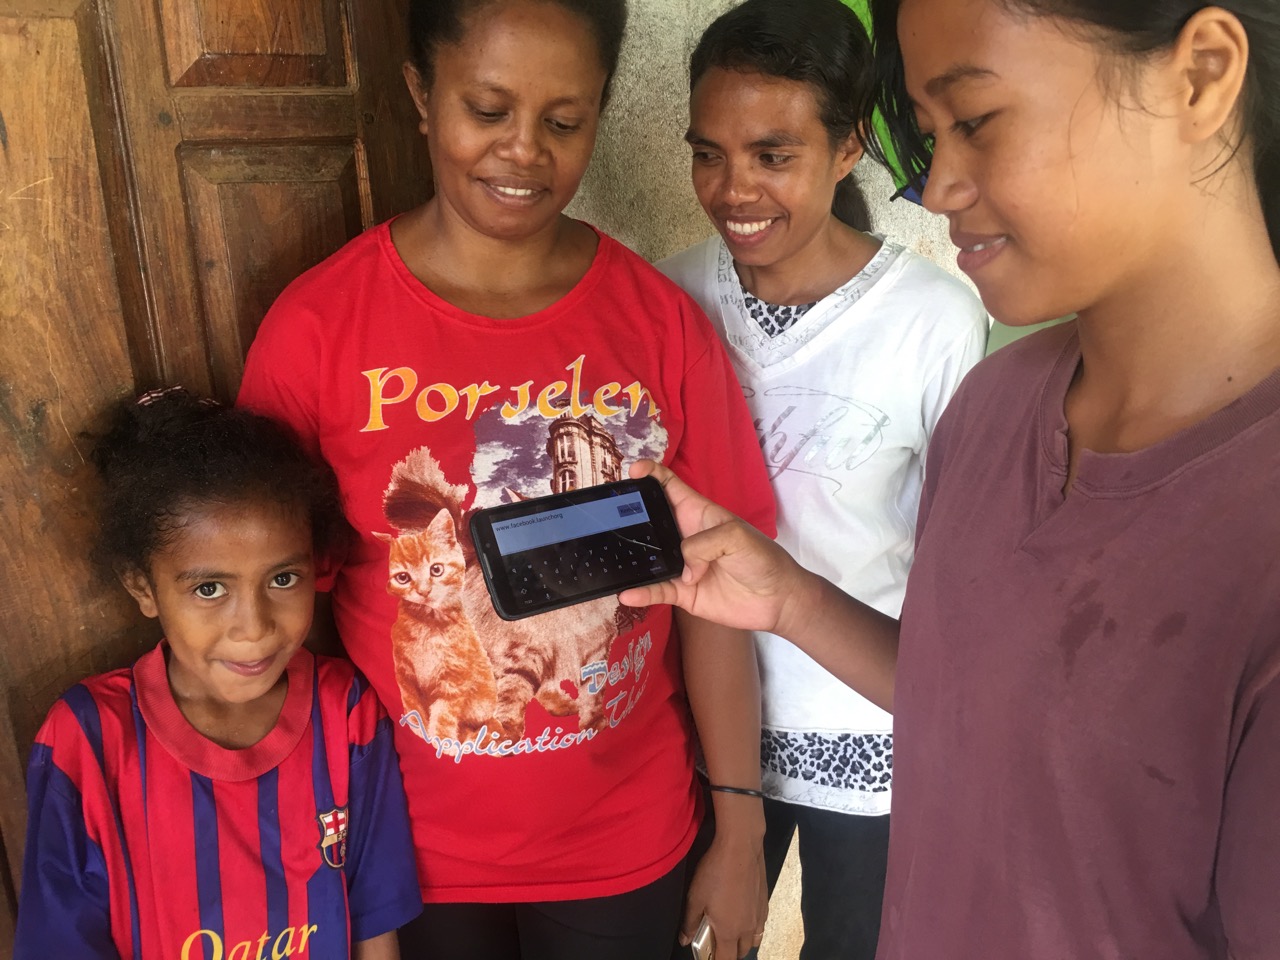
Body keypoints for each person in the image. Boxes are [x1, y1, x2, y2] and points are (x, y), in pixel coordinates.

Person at [622, 0, 1280, 957]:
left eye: (974, 122)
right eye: (928, 137)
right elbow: (974, 699)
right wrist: (793, 598)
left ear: (1201, 75)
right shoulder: (1000, 407)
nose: (934, 191)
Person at [236, 1, 777, 957]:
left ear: (601, 111)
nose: (523, 151)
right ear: (419, 92)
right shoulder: (317, 332)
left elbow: (716, 601)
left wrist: (741, 830)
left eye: (564, 122)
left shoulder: (659, 326)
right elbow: (283, 612)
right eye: (487, 109)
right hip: (403, 856)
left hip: (628, 843)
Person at [657, 1, 987, 956]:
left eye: (772, 153)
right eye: (708, 152)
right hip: (706, 735)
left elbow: (954, 566)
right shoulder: (669, 296)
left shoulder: (933, 319)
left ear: (847, 148)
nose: (732, 188)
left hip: (872, 732)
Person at [13, 389, 422, 960]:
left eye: (283, 579)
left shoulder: (345, 711)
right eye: (209, 589)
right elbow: (63, 940)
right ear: (142, 587)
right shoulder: (88, 740)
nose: (253, 629)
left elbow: (374, 919)